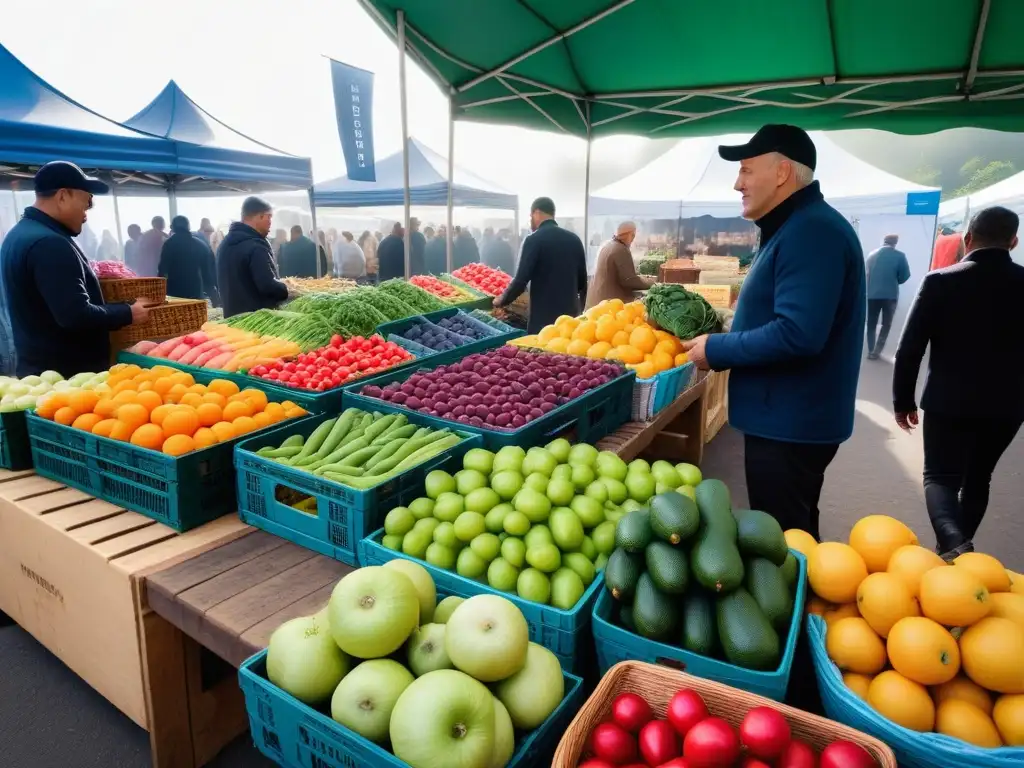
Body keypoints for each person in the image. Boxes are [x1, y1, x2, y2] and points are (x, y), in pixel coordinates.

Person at [681, 125, 866, 540]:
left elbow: (798, 333)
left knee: (784, 540)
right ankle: (803, 594)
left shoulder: (811, 231)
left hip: (791, 424)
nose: (737, 183)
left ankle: (795, 603)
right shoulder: (797, 226)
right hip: (788, 418)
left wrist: (718, 348)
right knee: (795, 530)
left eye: (746, 170)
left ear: (782, 173)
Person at [893, 206, 1024, 558]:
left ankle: (953, 546)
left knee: (939, 477)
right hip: (1008, 406)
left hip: (948, 401)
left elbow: (909, 349)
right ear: (1013, 242)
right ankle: (956, 553)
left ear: (967, 239)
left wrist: (902, 401)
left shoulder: (941, 281)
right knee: (980, 478)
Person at [0, 162, 152, 376]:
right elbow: (75, 315)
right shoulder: (49, 243)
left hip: (40, 370)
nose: (86, 214)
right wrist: (127, 312)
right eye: (86, 203)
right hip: (66, 377)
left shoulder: (19, 234)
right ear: (63, 196)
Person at [494, 197, 588, 333]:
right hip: (570, 319)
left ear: (536, 212)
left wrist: (501, 300)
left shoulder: (533, 240)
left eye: (531, 215)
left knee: (543, 354)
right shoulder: (574, 239)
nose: (530, 220)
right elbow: (582, 283)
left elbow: (520, 281)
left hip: (544, 321)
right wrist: (580, 310)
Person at [216, 196, 288, 318]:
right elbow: (267, 285)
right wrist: (285, 289)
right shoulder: (256, 246)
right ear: (259, 216)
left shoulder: (224, 244)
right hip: (256, 322)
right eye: (268, 217)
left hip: (231, 318)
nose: (270, 222)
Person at [586, 221, 654, 309]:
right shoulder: (621, 249)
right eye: (633, 235)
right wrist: (653, 283)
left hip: (595, 303)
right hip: (607, 307)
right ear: (631, 235)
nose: (633, 239)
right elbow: (629, 280)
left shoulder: (607, 244)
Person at [864, 234, 910, 360]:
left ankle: (871, 349)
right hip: (890, 296)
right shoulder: (900, 256)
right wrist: (895, 279)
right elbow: (905, 276)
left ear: (883, 242)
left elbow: (866, 275)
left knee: (871, 323)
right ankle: (877, 351)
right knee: (886, 323)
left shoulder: (871, 255)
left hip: (872, 295)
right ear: (895, 243)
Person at [158, 215, 218, 302]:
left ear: (172, 227)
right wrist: (214, 296)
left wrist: (160, 293)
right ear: (188, 227)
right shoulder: (200, 245)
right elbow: (208, 274)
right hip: (195, 292)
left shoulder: (168, 244)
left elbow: (162, 271)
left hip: (174, 294)